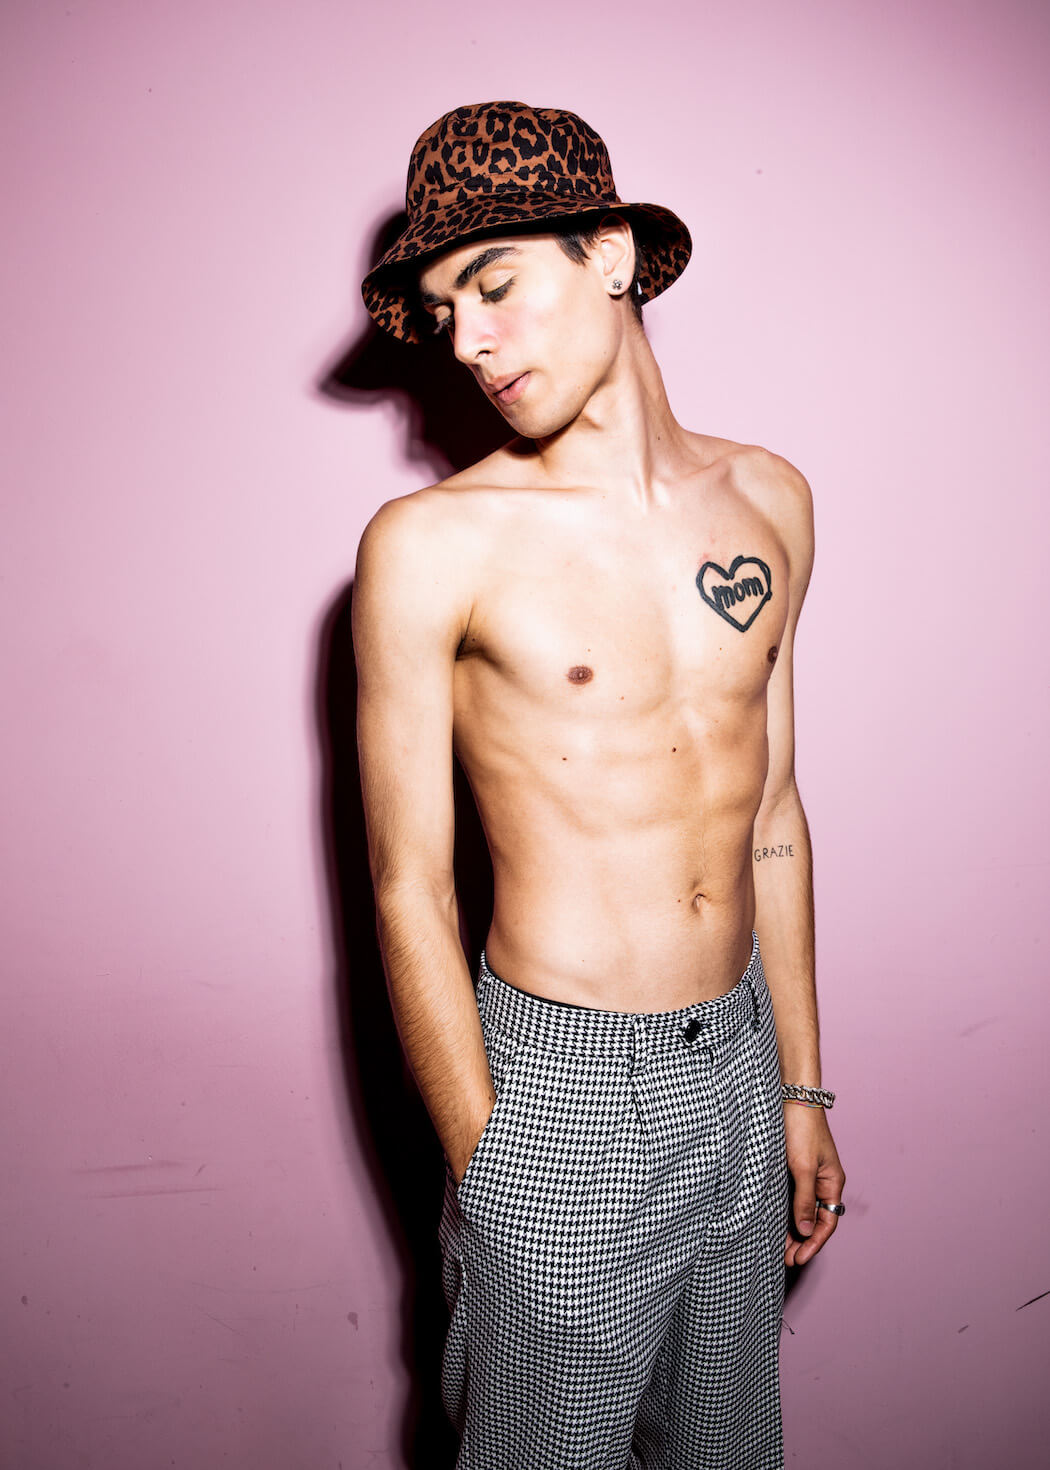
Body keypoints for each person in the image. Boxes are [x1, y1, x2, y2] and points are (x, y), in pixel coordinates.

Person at [353, 101, 845, 1470]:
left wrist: (802, 1088)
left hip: (739, 1063)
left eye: (494, 284)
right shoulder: (430, 546)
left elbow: (772, 817)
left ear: (611, 254)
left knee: (727, 1452)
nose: (468, 341)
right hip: (557, 1093)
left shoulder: (771, 500)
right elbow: (405, 886)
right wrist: (489, 1165)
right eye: (445, 311)